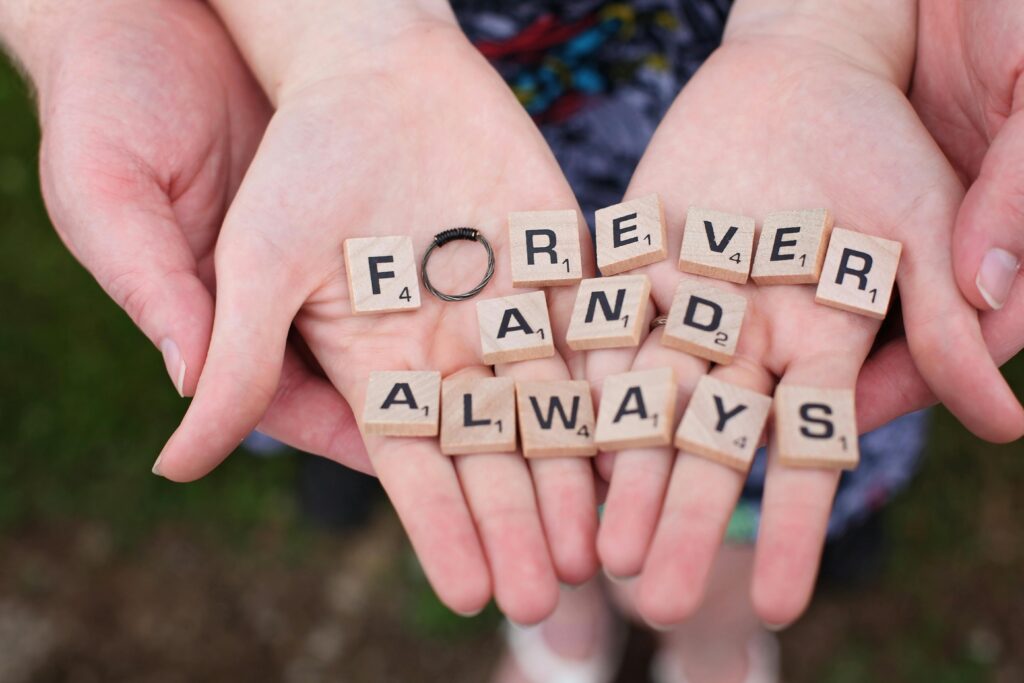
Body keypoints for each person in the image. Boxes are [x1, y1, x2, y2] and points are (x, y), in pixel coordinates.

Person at [1, 1, 1021, 681]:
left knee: (747, 416)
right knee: (463, 421)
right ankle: (560, 616)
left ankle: (717, 622)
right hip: (353, 112)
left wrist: (832, 31)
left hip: (767, 101)